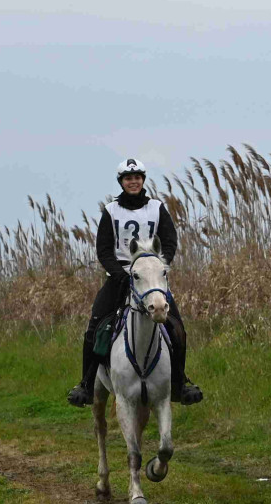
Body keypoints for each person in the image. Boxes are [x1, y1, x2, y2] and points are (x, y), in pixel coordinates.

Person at [67, 158, 203, 407]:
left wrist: (160, 267)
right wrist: (120, 273)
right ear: (122, 182)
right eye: (129, 178)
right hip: (119, 279)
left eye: (138, 178)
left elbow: (170, 241)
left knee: (178, 329)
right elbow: (104, 249)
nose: (133, 182)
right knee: (95, 327)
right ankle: (86, 384)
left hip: (151, 280)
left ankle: (180, 382)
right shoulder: (111, 211)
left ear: (143, 180)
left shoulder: (157, 208)